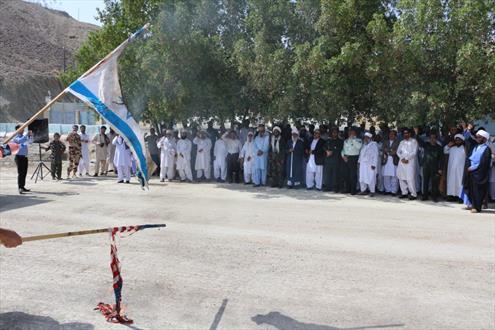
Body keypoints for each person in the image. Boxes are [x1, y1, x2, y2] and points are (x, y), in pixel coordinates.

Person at [464, 130, 492, 213]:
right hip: (472, 172)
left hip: (479, 173)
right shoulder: (475, 146)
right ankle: (472, 205)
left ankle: (477, 207)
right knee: (471, 189)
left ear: (484, 139)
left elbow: (484, 163)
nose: (477, 138)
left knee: (478, 191)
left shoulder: (486, 149)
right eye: (477, 137)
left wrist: (473, 168)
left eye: (479, 137)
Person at [421, 132, 444, 202]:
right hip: (426, 166)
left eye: (434, 138)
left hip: (435, 167)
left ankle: (434, 197)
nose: (432, 139)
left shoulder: (439, 147)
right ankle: (425, 196)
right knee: (425, 182)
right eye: (431, 138)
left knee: (435, 183)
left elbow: (441, 159)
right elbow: (419, 141)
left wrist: (440, 168)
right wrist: (416, 133)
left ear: (436, 139)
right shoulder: (426, 145)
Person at [397, 128, 419, 200]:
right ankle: (404, 193)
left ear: (410, 134)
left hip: (410, 162)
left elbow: (414, 152)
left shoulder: (414, 141)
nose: (405, 134)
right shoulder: (401, 142)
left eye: (407, 133)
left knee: (410, 178)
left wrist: (406, 159)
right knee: (401, 178)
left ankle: (413, 194)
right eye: (404, 133)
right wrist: (402, 158)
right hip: (402, 162)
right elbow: (398, 152)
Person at [443, 134, 466, 201]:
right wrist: (448, 145)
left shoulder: (464, 149)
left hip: (460, 170)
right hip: (452, 169)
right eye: (456, 140)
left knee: (459, 182)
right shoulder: (452, 148)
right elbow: (445, 150)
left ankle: (460, 197)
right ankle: (451, 196)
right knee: (452, 182)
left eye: (459, 140)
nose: (457, 141)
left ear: (462, 141)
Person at [341, 128, 362, 195]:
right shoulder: (346, 140)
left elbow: (358, 147)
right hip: (346, 158)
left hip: (353, 158)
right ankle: (347, 189)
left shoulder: (358, 140)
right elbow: (343, 149)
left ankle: (353, 190)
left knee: (353, 175)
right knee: (346, 174)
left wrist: (353, 139)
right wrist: (343, 156)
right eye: (349, 132)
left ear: (355, 133)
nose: (350, 133)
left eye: (351, 132)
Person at [13, 125, 33, 194]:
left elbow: (30, 142)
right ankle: (20, 187)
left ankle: (23, 186)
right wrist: (26, 135)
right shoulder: (15, 137)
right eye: (22, 129)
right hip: (19, 157)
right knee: (21, 173)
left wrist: (30, 136)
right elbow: (20, 141)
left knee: (24, 173)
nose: (23, 130)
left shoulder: (24, 136)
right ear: (17, 130)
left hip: (24, 157)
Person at [323, 127, 343, 192]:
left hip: (336, 160)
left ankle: (335, 188)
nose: (334, 134)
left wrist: (332, 152)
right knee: (327, 175)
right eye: (333, 132)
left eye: (335, 132)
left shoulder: (340, 141)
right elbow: (323, 147)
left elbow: (340, 150)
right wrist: (326, 151)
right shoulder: (328, 140)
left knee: (335, 175)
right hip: (328, 160)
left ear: (337, 133)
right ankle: (327, 187)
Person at [382, 130, 400, 195]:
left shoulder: (398, 142)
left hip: (394, 160)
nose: (390, 135)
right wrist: (391, 150)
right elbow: (383, 149)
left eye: (392, 134)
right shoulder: (385, 142)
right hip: (386, 160)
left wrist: (389, 151)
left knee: (394, 177)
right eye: (390, 134)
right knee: (386, 176)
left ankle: (394, 191)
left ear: (395, 136)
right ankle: (387, 190)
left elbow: (396, 151)